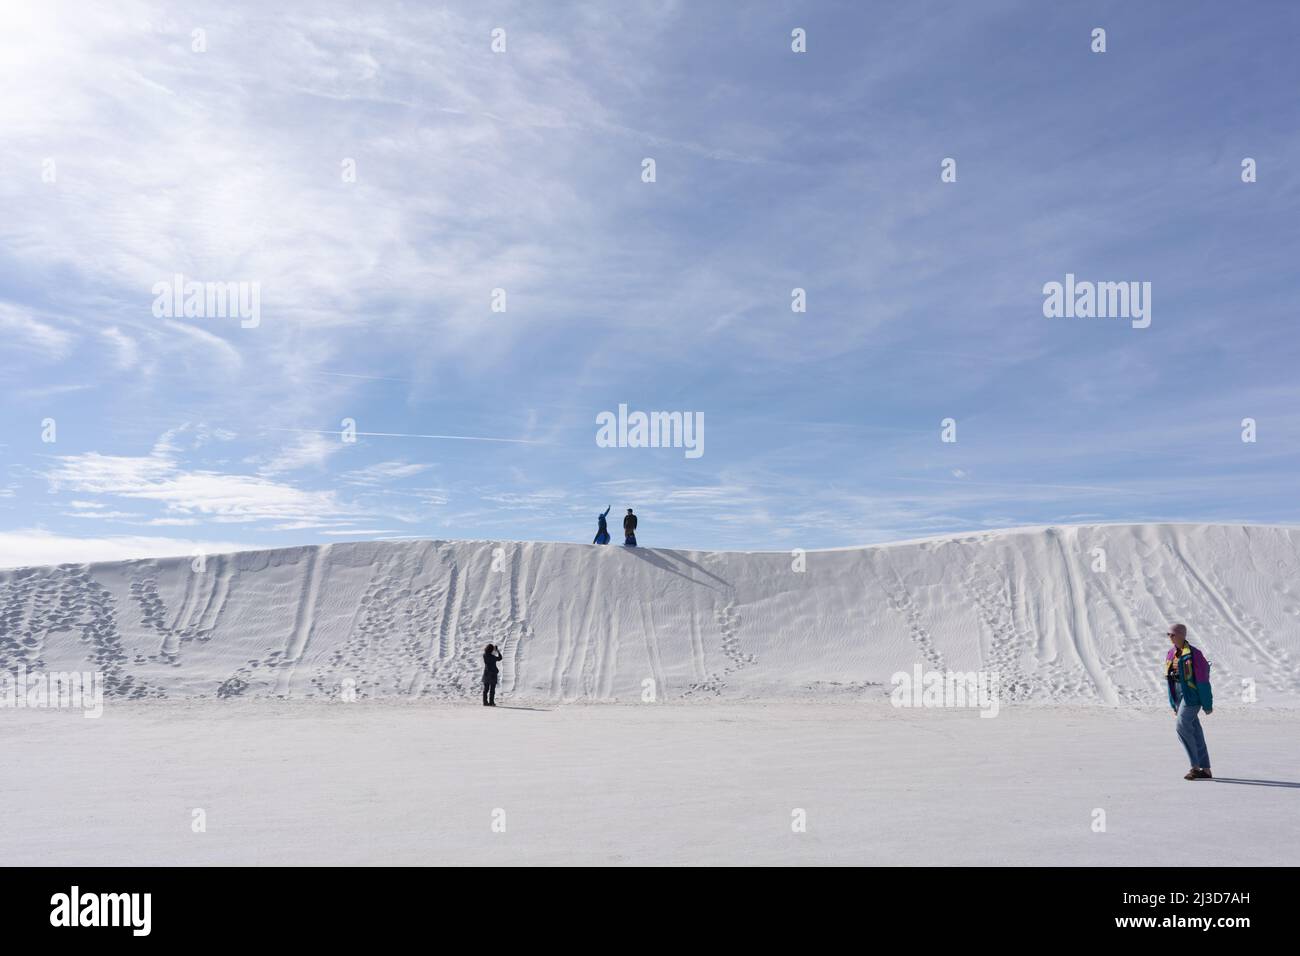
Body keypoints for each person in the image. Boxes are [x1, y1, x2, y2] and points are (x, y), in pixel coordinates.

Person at [1165, 624, 1213, 779]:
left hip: (1192, 695)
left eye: (1172, 634)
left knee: (1181, 726)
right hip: (1179, 695)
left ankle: (1194, 767)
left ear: (1181, 635)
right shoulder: (1170, 654)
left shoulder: (1194, 654)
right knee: (1195, 731)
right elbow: (1170, 680)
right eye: (1168, 635)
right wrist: (1173, 703)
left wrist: (1207, 703)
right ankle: (1205, 770)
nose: (1170, 638)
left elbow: (1203, 680)